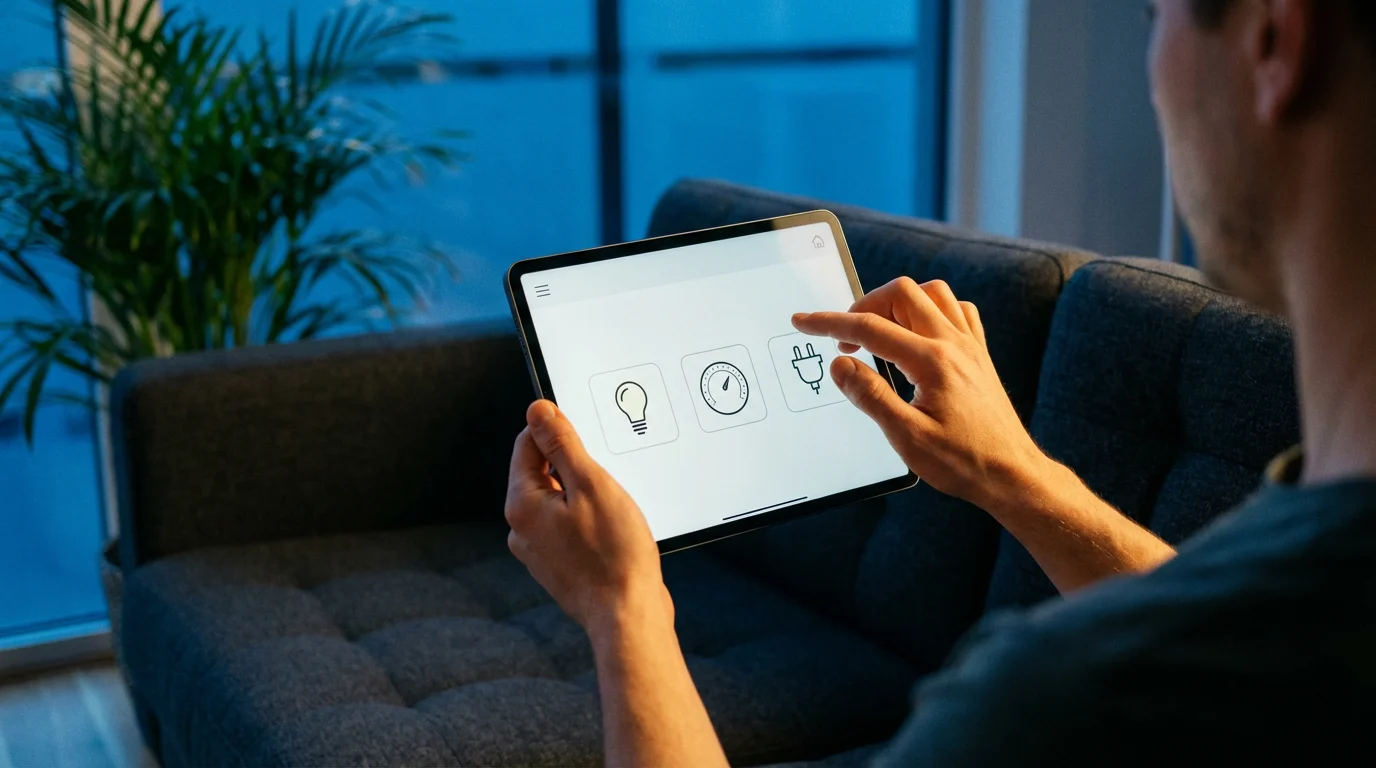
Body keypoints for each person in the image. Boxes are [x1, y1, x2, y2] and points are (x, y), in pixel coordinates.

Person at [503, 0, 1376, 763]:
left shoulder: (1056, 703)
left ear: (1273, 37)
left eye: (1154, 15)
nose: (1151, 83)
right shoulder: (1283, 635)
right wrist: (1014, 472)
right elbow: (1225, 640)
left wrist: (624, 611)